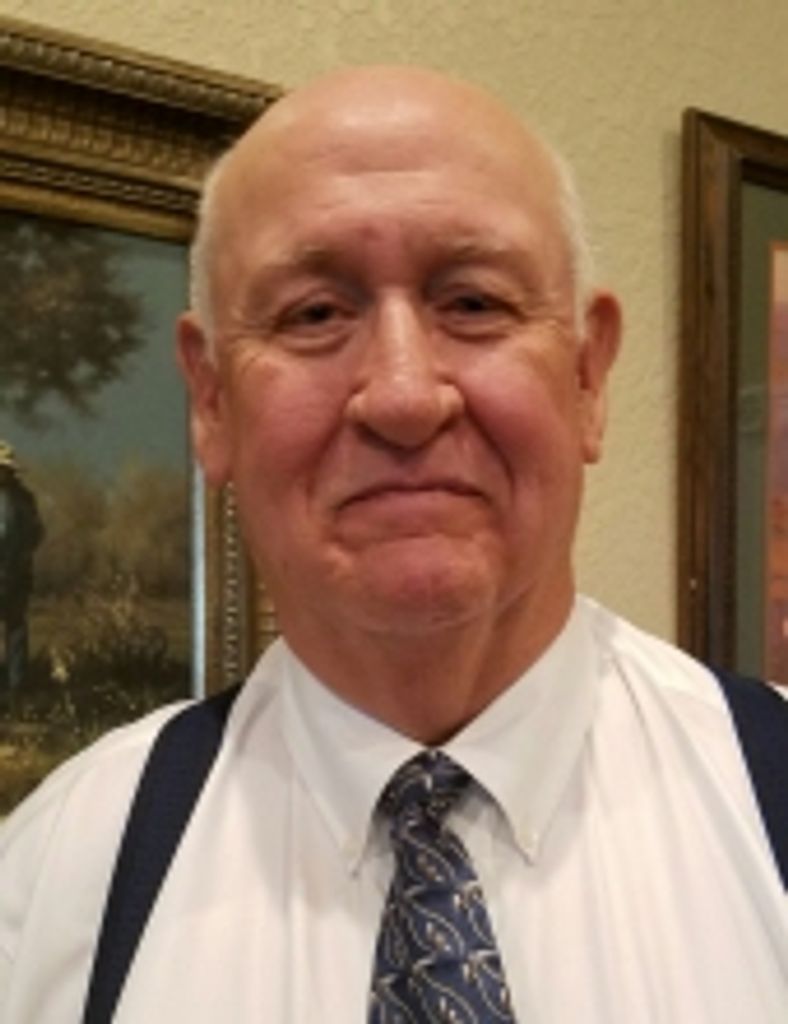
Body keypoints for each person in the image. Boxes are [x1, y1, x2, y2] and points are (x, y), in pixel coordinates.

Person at [0, 66, 786, 1023]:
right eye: (315, 314)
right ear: (210, 401)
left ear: (588, 376)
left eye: (475, 303)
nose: (405, 396)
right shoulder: (51, 890)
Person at [0, 441, 43, 698]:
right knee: (15, 628)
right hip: (18, 574)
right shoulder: (24, 498)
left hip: (10, 574)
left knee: (15, 629)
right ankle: (16, 687)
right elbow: (37, 534)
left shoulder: (15, 500)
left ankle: (14, 688)